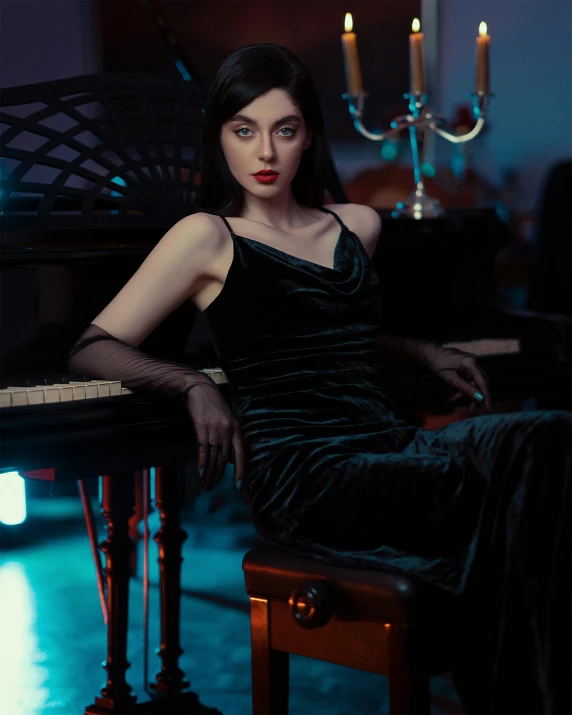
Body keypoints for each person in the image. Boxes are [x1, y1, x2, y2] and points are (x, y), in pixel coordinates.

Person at [68, 43, 571, 714]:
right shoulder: (207, 236)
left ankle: (527, 689)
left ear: (308, 136)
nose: (265, 152)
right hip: (304, 471)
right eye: (243, 130)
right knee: (477, 483)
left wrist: (421, 350)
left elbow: (328, 329)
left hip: (381, 441)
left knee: (548, 435)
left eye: (285, 129)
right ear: (220, 138)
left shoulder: (355, 225)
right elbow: (93, 345)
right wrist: (194, 384)